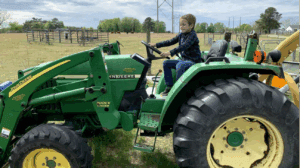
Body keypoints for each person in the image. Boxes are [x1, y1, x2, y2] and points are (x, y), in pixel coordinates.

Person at [149, 14, 202, 96]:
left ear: (191, 25)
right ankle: (169, 87)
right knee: (166, 63)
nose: (181, 27)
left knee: (180, 65)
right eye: (180, 25)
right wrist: (155, 44)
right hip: (184, 60)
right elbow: (170, 41)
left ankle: (178, 90)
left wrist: (170, 52)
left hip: (194, 61)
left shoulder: (192, 36)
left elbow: (183, 46)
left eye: (184, 25)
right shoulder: (181, 35)